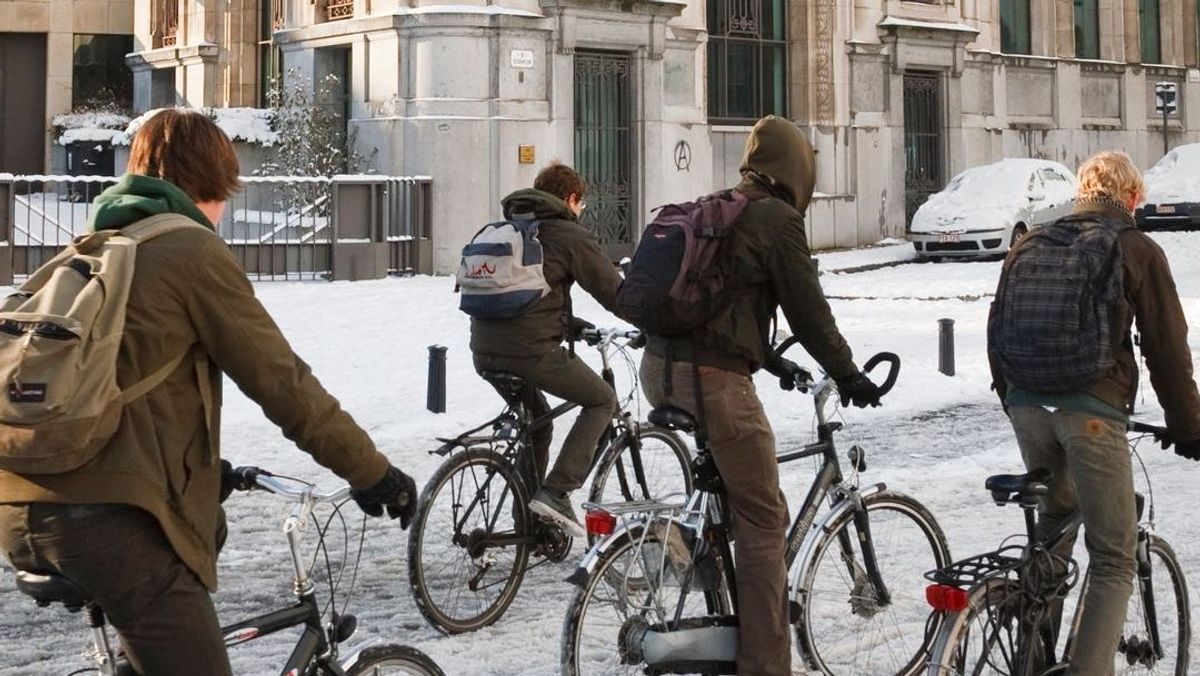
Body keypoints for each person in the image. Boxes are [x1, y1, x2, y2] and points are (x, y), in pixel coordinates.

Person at [0, 109, 416, 676]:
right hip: (106, 519)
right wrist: (372, 473)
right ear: (213, 182)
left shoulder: (95, 246)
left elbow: (120, 386)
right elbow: (282, 382)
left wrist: (196, 469)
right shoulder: (188, 250)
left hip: (23, 498)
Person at [639, 115, 882, 676]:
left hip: (661, 368)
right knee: (765, 522)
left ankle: (711, 590)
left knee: (741, 500)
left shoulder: (719, 206)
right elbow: (809, 311)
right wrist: (849, 375)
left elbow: (720, 300)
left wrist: (769, 358)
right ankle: (765, 665)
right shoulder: (776, 219)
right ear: (798, 170)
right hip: (712, 382)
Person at [988, 151, 1200, 675]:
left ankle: (1034, 651)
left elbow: (998, 329)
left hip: (1026, 403)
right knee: (1113, 557)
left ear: (1081, 191)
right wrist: (1188, 427)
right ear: (1132, 197)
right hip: (1092, 410)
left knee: (1056, 521)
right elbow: (1167, 348)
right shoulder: (1135, 247)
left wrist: (1016, 399)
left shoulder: (1031, 242)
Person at [470, 162, 623, 537]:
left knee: (538, 425)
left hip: (484, 351)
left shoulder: (511, 230)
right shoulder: (568, 234)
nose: (580, 210)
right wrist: (658, 318)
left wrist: (572, 325)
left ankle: (531, 526)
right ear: (571, 199)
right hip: (530, 352)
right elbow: (615, 293)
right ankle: (556, 492)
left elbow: (528, 299)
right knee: (602, 400)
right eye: (581, 203)